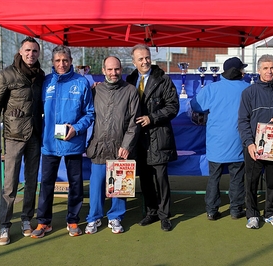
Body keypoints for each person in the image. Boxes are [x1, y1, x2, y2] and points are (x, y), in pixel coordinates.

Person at [31, 45, 94, 238]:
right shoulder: (46, 82)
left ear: (71, 61)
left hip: (73, 143)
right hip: (49, 143)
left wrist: (76, 128)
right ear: (52, 62)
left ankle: (73, 220)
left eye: (65, 60)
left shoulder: (81, 82)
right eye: (57, 61)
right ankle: (44, 222)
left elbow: (90, 113)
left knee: (75, 183)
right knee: (47, 183)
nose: (61, 64)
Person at [0, 37, 45, 246]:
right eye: (28, 50)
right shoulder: (5, 75)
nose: (31, 54)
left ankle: (26, 219)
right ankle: (4, 225)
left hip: (34, 137)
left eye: (35, 51)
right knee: (10, 184)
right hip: (13, 137)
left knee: (31, 182)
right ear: (20, 51)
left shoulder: (40, 76)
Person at [84, 56, 141, 234]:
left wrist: (127, 145)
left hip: (120, 148)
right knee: (96, 186)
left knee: (120, 186)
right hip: (99, 146)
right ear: (103, 71)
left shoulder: (131, 91)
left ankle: (116, 217)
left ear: (121, 70)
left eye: (116, 69)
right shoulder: (96, 91)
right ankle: (94, 218)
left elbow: (134, 122)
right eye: (109, 69)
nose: (113, 73)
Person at [126, 44, 179, 231]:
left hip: (159, 137)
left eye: (147, 57)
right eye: (140, 59)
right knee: (146, 179)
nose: (145, 61)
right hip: (138, 140)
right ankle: (151, 212)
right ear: (134, 62)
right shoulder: (130, 79)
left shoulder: (163, 79)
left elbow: (173, 107)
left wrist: (152, 118)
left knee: (161, 179)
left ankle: (165, 215)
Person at [190, 57, 249, 220]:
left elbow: (195, 106)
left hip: (216, 141)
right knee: (237, 177)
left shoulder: (212, 88)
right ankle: (236, 209)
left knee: (213, 178)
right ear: (237, 71)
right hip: (238, 140)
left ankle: (211, 210)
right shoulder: (247, 88)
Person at [238, 54, 273, 229]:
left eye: (272, 67)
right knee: (251, 181)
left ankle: (271, 213)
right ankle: (252, 214)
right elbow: (242, 121)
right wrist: (249, 143)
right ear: (259, 70)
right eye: (265, 68)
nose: (269, 71)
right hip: (254, 146)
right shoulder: (249, 92)